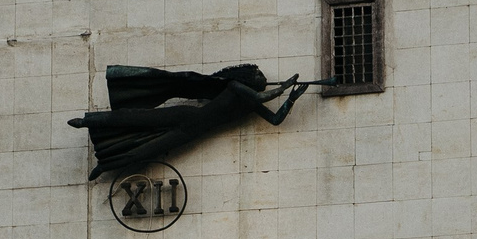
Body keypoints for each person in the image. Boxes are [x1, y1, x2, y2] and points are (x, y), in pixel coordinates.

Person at [68, 64, 310, 180]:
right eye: (258, 75)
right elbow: (263, 95)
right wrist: (286, 86)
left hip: (193, 132)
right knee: (137, 118)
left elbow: (276, 119)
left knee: (146, 150)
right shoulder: (236, 87)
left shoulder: (250, 105)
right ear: (246, 78)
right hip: (188, 117)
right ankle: (88, 121)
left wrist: (291, 99)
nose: (263, 78)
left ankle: (106, 165)